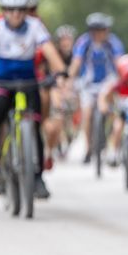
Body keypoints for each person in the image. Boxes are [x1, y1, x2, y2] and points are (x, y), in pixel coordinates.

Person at [0, 0, 69, 199]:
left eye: (21, 10)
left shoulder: (35, 26)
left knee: (34, 126)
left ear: (27, 10)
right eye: (10, 9)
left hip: (28, 81)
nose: (15, 14)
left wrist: (60, 71)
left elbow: (48, 49)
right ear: (3, 10)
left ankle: (37, 177)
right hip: (1, 81)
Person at [70, 12, 125, 163]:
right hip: (88, 83)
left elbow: (119, 62)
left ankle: (114, 148)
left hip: (108, 82)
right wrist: (68, 80)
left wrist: (123, 80)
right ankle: (88, 149)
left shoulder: (113, 42)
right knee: (86, 114)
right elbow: (76, 62)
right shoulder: (84, 42)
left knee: (114, 114)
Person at [44, 24, 78, 161]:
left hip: (72, 86)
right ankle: (57, 141)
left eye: (68, 39)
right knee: (58, 110)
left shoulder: (76, 54)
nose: (66, 43)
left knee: (77, 105)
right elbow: (53, 74)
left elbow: (77, 73)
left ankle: (72, 134)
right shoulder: (53, 54)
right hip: (56, 86)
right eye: (63, 40)